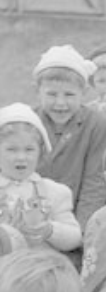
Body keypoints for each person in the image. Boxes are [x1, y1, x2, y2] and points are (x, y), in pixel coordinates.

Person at [34, 44, 106, 239]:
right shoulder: (28, 122)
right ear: (38, 91)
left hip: (74, 221)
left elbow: (95, 182)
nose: (60, 103)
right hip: (32, 219)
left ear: (84, 92)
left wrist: (81, 233)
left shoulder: (98, 125)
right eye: (51, 94)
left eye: (69, 95)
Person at [0, 103, 82, 254]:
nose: (21, 157)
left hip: (39, 271)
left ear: (41, 152)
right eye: (11, 149)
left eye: (29, 149)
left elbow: (75, 238)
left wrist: (50, 230)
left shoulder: (54, 192)